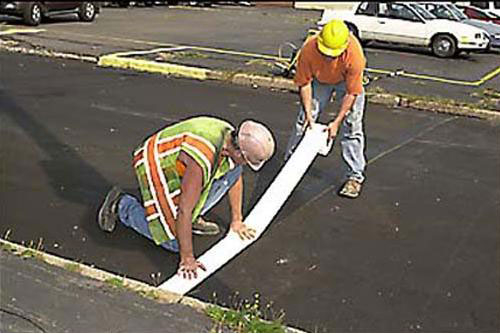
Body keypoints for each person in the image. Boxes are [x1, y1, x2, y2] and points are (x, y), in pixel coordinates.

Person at [97, 116, 275, 279]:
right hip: (156, 162)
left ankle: (190, 220)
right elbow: (184, 209)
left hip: (182, 160)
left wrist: (237, 221)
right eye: (246, 160)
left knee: (232, 170)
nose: (245, 164)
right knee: (173, 241)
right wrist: (187, 258)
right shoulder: (202, 158)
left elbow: (235, 176)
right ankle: (122, 205)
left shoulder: (229, 137)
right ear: (238, 152)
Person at [285, 19, 367, 199]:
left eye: (333, 54)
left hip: (346, 82)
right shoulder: (308, 49)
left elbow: (352, 93)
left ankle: (354, 176)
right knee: (303, 122)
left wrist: (336, 122)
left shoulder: (355, 55)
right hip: (320, 81)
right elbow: (304, 84)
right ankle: (291, 165)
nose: (329, 56)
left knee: (352, 126)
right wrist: (308, 114)